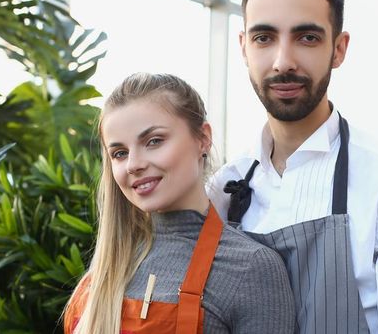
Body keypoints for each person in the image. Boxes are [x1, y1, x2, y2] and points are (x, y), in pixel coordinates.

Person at [207, 0, 378, 333]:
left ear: (338, 49)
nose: (283, 62)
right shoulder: (225, 187)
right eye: (264, 38)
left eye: (307, 37)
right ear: (244, 47)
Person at [64, 73, 295, 334]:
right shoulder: (102, 274)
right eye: (120, 153)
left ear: (203, 139)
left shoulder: (251, 269)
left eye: (154, 141)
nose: (134, 164)